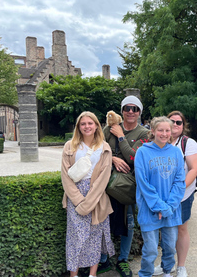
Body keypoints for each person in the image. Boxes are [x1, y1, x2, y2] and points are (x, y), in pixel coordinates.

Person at [61, 111, 115, 277]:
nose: (87, 126)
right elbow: (65, 174)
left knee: (94, 236)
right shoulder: (69, 146)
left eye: (90, 123)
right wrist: (78, 201)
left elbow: (104, 177)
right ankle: (74, 274)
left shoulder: (104, 148)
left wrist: (90, 201)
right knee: (75, 237)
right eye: (83, 124)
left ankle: (92, 274)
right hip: (74, 196)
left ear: (97, 125)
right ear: (78, 126)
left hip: (96, 196)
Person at [101, 95, 149, 277]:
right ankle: (103, 258)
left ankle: (123, 260)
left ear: (139, 113)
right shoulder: (109, 128)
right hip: (106, 182)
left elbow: (133, 158)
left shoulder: (144, 134)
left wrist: (121, 138)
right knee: (104, 219)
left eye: (134, 109)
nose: (130, 111)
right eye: (127, 108)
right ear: (121, 111)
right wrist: (111, 157)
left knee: (128, 221)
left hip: (127, 183)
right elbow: (96, 148)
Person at [135, 116, 186, 277]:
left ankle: (166, 270)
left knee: (170, 246)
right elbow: (143, 184)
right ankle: (146, 274)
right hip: (149, 209)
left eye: (167, 130)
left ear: (171, 132)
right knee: (150, 249)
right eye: (160, 130)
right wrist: (160, 207)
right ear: (153, 131)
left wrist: (168, 207)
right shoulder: (143, 152)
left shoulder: (176, 152)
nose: (164, 134)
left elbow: (179, 181)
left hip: (171, 209)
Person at [152, 111, 197, 277]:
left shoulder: (188, 143)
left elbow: (194, 168)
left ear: (183, 125)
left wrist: (178, 190)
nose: (174, 125)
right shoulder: (158, 143)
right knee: (164, 229)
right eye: (171, 121)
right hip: (162, 196)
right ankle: (167, 264)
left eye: (178, 122)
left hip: (182, 196)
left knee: (181, 229)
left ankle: (180, 266)